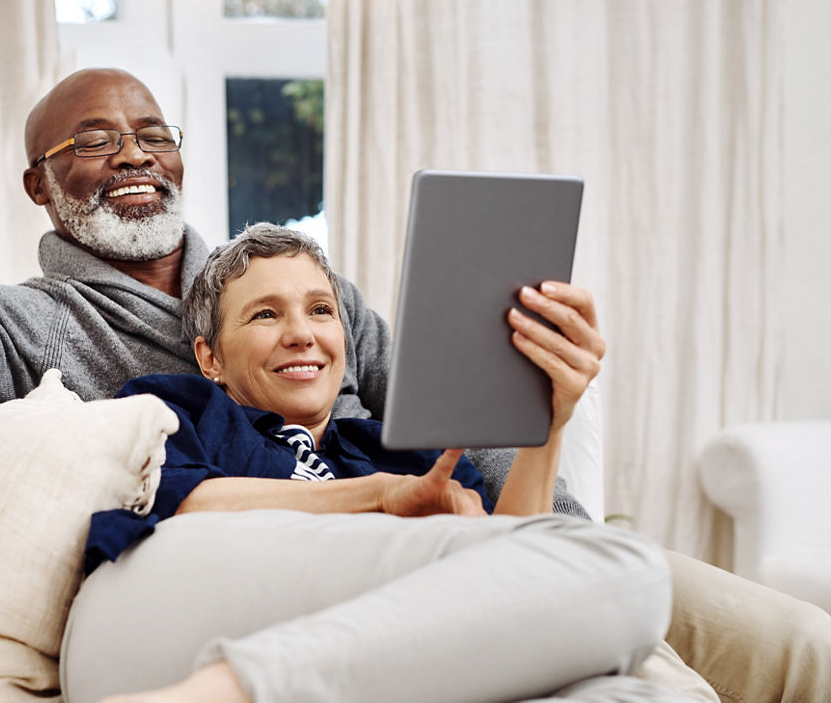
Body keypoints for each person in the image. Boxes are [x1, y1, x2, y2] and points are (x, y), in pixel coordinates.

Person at [0, 67, 830, 703]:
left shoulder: (303, 287)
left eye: (150, 134)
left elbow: (463, 435)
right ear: (39, 185)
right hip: (294, 577)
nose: (130, 154)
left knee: (786, 648)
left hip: (488, 544)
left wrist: (547, 439)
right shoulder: (39, 323)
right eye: (90, 141)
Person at [61, 224, 681, 702]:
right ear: (211, 356)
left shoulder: (402, 450)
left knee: (626, 694)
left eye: (321, 310)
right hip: (168, 626)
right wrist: (378, 497)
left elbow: (516, 563)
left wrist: (548, 419)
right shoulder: (178, 405)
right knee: (630, 566)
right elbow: (181, 503)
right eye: (266, 313)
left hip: (365, 657)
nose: (303, 334)